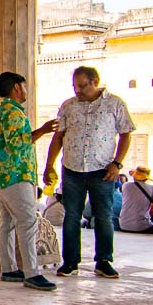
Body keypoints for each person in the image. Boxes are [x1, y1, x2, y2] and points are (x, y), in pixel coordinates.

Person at [43, 65, 134, 279]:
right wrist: (49, 164)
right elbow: (58, 137)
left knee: (103, 216)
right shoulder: (69, 106)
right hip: (72, 169)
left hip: (102, 170)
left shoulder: (115, 104)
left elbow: (126, 134)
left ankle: (103, 261)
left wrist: (117, 164)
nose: (78, 91)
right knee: (71, 216)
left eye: (83, 86)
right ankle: (70, 262)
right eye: (75, 87)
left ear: (95, 82)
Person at [0, 71, 60, 291]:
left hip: (2, 176)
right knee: (28, 222)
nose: (26, 91)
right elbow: (16, 144)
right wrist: (42, 131)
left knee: (7, 223)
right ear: (17, 88)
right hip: (16, 175)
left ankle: (9, 268)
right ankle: (32, 273)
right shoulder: (13, 113)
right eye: (24, 86)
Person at [119, 166, 153, 234]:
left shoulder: (125, 185)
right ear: (146, 178)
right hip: (143, 227)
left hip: (124, 225)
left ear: (134, 176)